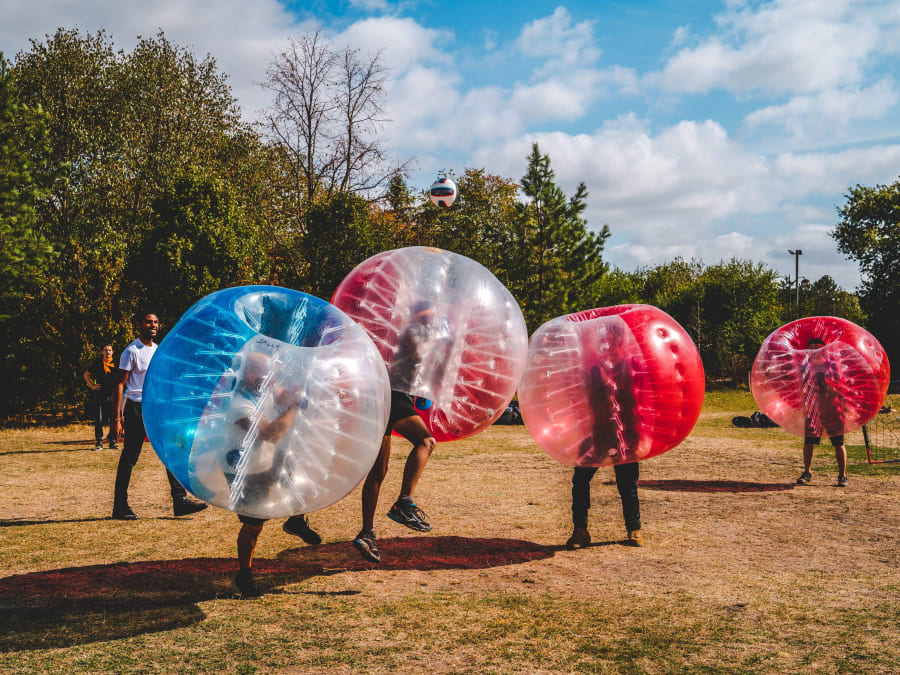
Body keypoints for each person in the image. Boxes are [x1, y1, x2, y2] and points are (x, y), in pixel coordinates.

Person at [352, 302, 444, 564]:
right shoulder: (411, 331)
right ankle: (404, 502)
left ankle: (367, 532)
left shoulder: (399, 335)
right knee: (426, 441)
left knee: (378, 471)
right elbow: (420, 353)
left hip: (382, 398)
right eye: (431, 318)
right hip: (391, 396)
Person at [227, 351, 322, 599]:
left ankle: (296, 520)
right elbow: (270, 435)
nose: (272, 377)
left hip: (267, 458)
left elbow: (282, 393)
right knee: (254, 524)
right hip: (243, 468)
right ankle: (243, 575)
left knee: (302, 478)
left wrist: (298, 393)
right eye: (266, 371)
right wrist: (293, 407)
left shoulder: (264, 388)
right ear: (250, 374)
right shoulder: (240, 404)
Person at [111, 310, 209, 520]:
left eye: (155, 322)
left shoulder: (158, 350)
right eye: (148, 322)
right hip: (136, 409)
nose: (153, 326)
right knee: (130, 457)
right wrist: (117, 419)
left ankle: (179, 500)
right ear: (138, 325)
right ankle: (120, 506)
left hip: (155, 409)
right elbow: (119, 384)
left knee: (170, 451)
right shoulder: (132, 351)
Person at [566, 325, 643, 549]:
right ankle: (580, 530)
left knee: (627, 483)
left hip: (625, 434)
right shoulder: (594, 370)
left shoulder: (632, 368)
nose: (608, 348)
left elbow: (640, 401)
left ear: (622, 344)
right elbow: (585, 399)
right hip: (598, 433)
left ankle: (634, 529)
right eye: (605, 343)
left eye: (613, 343)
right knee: (580, 480)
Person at [796, 337, 849, 488]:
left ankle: (842, 475)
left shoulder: (832, 366)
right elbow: (802, 387)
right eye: (810, 347)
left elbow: (840, 387)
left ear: (823, 349)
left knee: (838, 443)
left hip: (833, 409)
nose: (814, 350)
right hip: (813, 410)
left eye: (816, 347)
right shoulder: (806, 367)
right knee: (808, 442)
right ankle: (807, 472)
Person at [83, 343, 118, 450]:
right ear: (102, 352)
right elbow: (86, 375)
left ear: (112, 352)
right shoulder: (98, 363)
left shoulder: (117, 363)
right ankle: (99, 442)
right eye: (105, 350)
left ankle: (112, 442)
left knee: (113, 419)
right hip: (100, 395)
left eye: (109, 350)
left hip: (113, 395)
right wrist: (92, 385)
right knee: (99, 419)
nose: (107, 352)